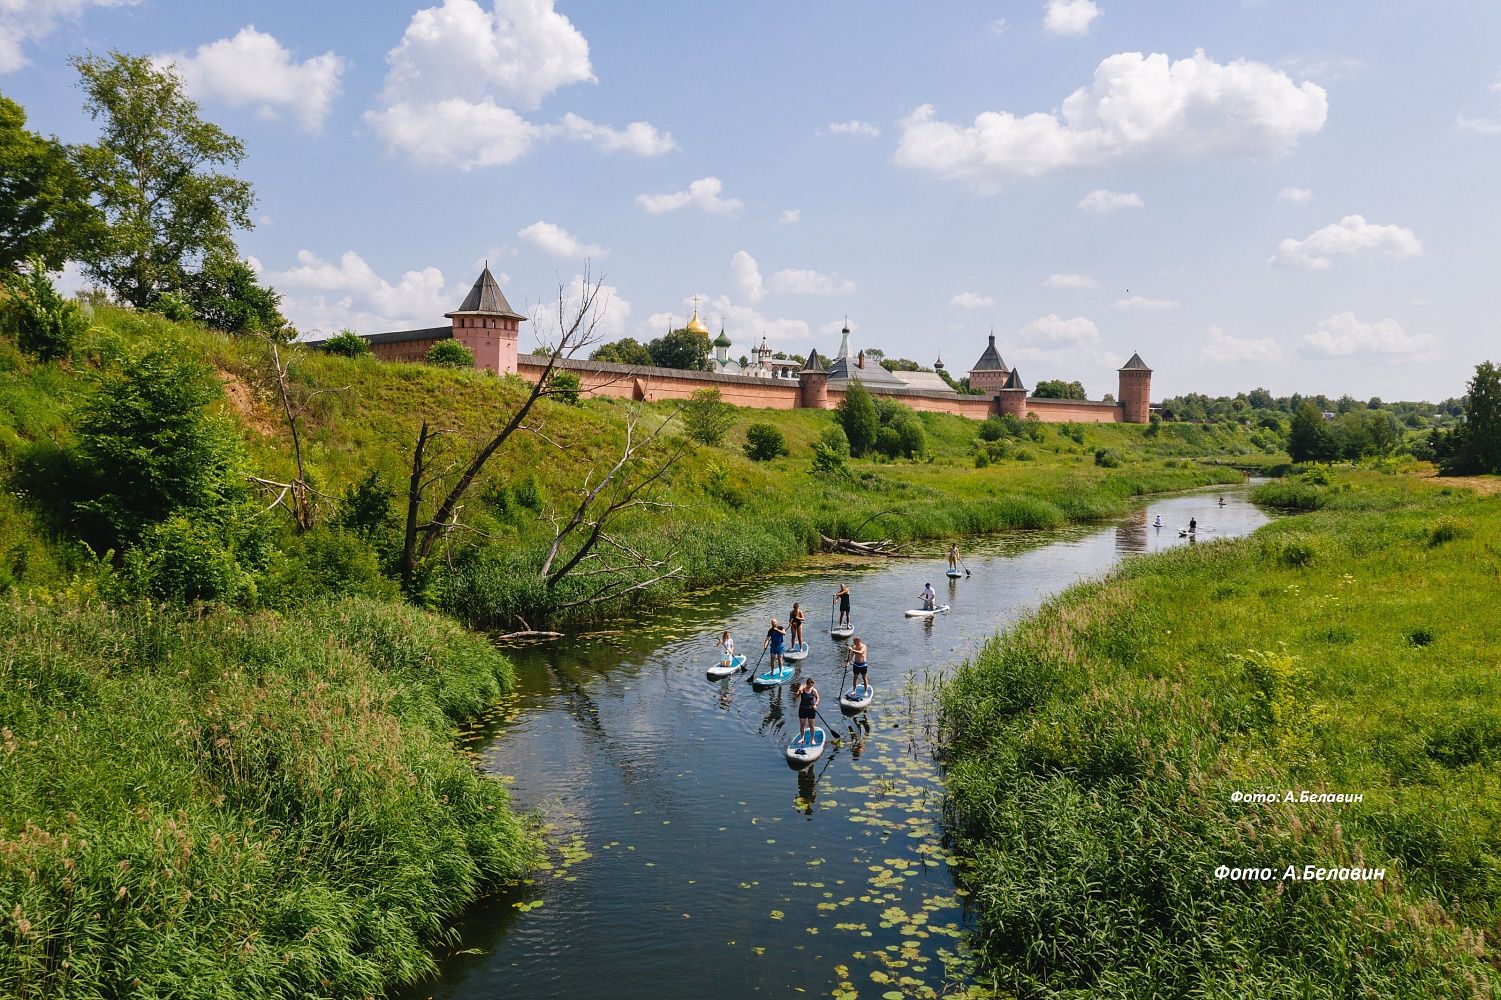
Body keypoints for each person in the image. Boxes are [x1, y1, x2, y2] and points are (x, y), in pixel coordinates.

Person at [796, 677, 819, 743]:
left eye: (812, 685)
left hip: (811, 710)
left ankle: (812, 739)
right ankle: (802, 738)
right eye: (810, 685)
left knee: (811, 725)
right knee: (802, 725)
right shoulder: (802, 687)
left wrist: (815, 704)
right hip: (802, 709)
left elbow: (817, 698)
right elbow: (796, 696)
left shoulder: (813, 690)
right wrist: (799, 692)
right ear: (807, 684)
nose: (811, 687)